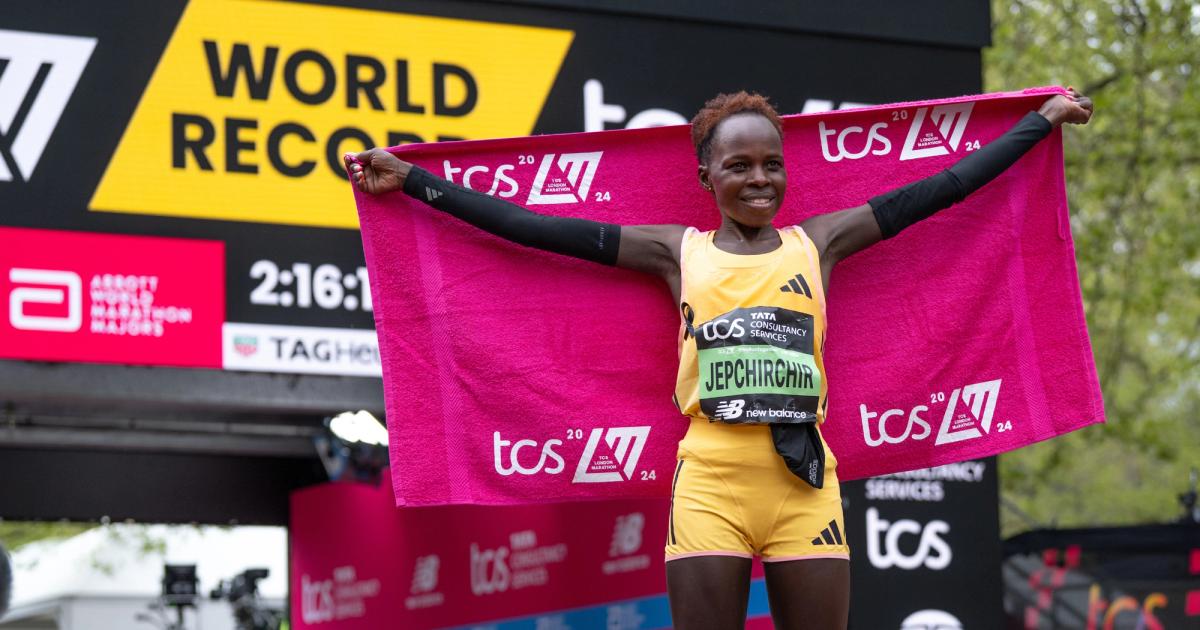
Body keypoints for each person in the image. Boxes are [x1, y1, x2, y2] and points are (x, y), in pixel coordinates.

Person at [346, 88, 1092, 629]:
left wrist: (1037, 124)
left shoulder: (820, 242)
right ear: (708, 178)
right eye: (739, 166)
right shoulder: (677, 252)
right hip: (710, 484)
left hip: (804, 486)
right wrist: (413, 180)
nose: (760, 178)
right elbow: (529, 226)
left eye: (771, 163)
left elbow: (944, 189)